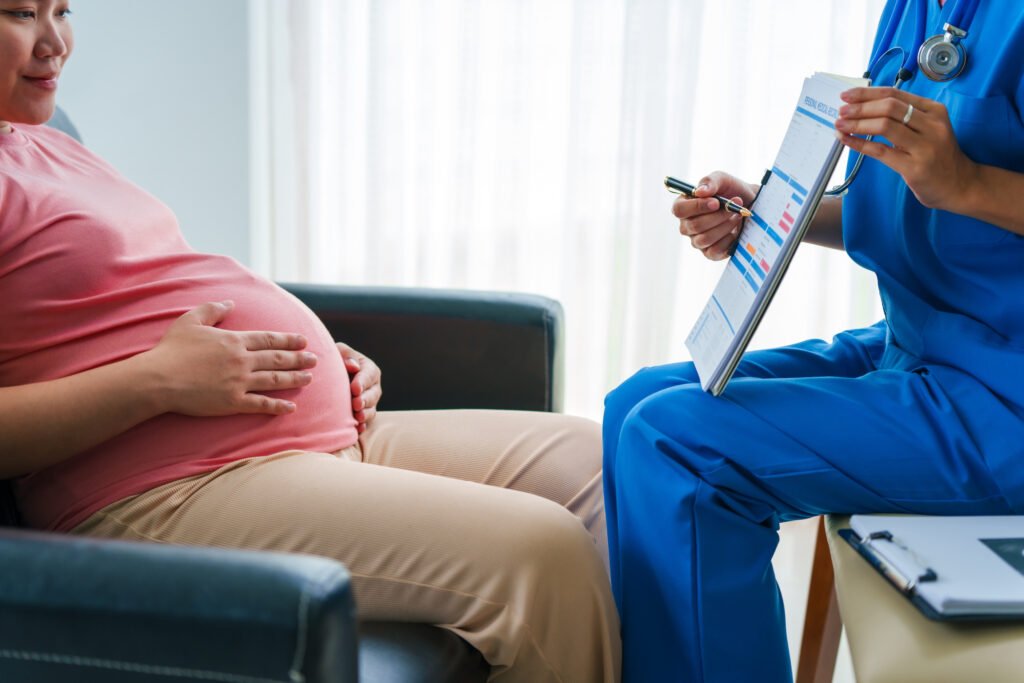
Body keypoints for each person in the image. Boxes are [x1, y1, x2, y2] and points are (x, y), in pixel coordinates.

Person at [0, 3, 620, 681]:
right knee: (543, 554)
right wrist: (160, 379)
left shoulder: (42, 139)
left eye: (63, 10)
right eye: (20, 13)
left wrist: (320, 353)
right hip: (161, 489)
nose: (56, 42)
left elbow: (135, 293)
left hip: (286, 441)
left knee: (595, 463)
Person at [602, 0, 1024, 681]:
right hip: (921, 341)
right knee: (637, 401)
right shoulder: (916, 8)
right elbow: (897, 193)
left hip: (1006, 395)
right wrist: (768, 213)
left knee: (679, 443)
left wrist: (970, 183)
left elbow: (954, 185)